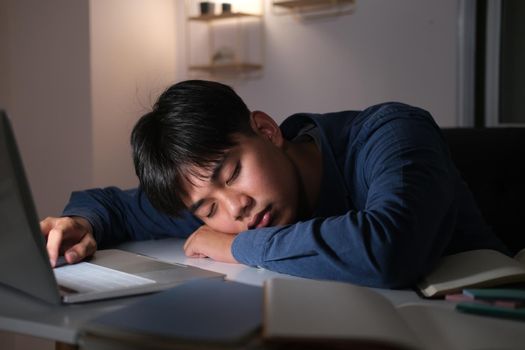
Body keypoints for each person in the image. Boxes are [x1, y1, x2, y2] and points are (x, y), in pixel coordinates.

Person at [40, 80, 509, 288]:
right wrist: (80, 222)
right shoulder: (212, 199)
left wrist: (235, 248)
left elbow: (388, 247)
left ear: (265, 130)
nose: (236, 208)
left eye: (234, 173)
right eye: (207, 211)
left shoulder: (390, 133)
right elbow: (114, 205)